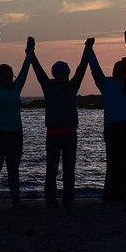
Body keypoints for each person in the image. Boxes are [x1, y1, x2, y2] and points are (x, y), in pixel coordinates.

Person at [31, 42, 89, 208]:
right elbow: (38, 70)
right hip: (53, 134)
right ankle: (51, 200)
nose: (61, 75)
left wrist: (87, 50)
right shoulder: (48, 87)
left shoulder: (72, 87)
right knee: (52, 170)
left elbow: (82, 68)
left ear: (67, 74)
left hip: (70, 133)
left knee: (69, 170)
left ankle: (68, 200)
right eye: (58, 73)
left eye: (63, 73)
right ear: (54, 74)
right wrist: (31, 52)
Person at [86, 31, 126, 203]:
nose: (123, 75)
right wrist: (89, 50)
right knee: (114, 163)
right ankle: (110, 196)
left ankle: (121, 194)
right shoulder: (106, 84)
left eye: (125, 72)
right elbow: (95, 69)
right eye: (120, 72)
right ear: (115, 72)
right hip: (113, 128)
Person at [0, 35, 34, 210]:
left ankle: (16, 201)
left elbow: (25, 70)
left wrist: (30, 51)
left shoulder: (16, 87)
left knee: (13, 170)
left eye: (9, 75)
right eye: (3, 74)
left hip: (15, 134)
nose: (7, 77)